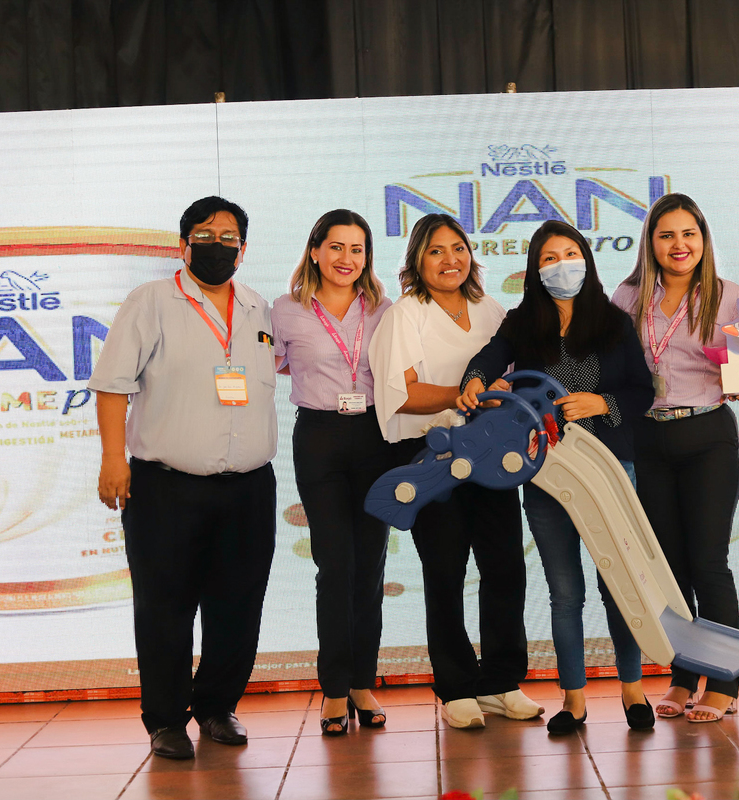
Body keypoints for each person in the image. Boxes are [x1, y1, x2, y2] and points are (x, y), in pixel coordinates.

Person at [90, 196, 278, 759]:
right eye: (205, 235)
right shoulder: (150, 301)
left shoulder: (258, 307)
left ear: (243, 250)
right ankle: (166, 719)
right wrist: (113, 458)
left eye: (228, 238)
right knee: (164, 606)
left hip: (249, 485)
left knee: (239, 605)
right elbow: (112, 385)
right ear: (183, 244)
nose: (217, 246)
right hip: (166, 485)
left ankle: (217, 706)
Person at [459, 220, 656, 734]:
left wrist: (602, 403)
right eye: (549, 258)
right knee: (565, 591)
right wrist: (475, 379)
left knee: (618, 585)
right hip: (547, 473)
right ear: (535, 269)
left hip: (609, 468)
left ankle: (633, 689)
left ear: (586, 259)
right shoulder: (523, 321)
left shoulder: (614, 321)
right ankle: (574, 699)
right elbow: (488, 358)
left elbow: (642, 390)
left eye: (570, 253)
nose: (561, 265)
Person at [368, 213, 542, 729]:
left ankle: (502, 682)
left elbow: (517, 378)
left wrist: (497, 397)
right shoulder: (405, 314)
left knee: (505, 567)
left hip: (494, 455)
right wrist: (468, 393)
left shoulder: (491, 309)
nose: (450, 259)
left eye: (459, 248)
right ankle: (456, 686)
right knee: (444, 572)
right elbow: (402, 394)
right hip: (433, 456)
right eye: (436, 250)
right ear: (417, 261)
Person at [612, 193, 739, 723]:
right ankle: (683, 676)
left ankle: (724, 681)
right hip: (647, 440)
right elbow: (613, 367)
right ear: (650, 243)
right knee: (668, 569)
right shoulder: (627, 298)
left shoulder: (731, 296)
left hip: (707, 435)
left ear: (703, 239)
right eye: (666, 235)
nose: (679, 244)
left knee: (708, 562)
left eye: (688, 233)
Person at [270, 209, 395, 736]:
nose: (347, 259)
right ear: (315, 250)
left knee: (370, 567)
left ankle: (362, 682)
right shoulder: (285, 310)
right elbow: (274, 365)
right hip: (319, 438)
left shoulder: (385, 309)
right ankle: (335, 689)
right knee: (335, 566)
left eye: (357, 249)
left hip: (375, 439)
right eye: (337, 247)